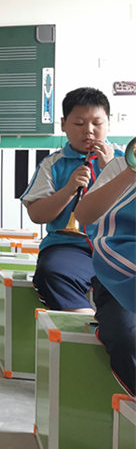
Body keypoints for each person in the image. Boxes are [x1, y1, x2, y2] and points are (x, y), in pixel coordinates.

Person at [21, 87, 124, 314]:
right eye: (79, 124)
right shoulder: (52, 164)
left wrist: (110, 171)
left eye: (97, 123)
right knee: (52, 273)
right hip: (69, 247)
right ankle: (84, 320)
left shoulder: (126, 160)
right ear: (63, 124)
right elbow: (37, 214)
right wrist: (68, 189)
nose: (89, 131)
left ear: (108, 123)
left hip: (120, 246)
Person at [75, 147, 136, 395]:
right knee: (127, 338)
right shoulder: (121, 167)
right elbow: (83, 214)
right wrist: (130, 172)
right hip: (120, 280)